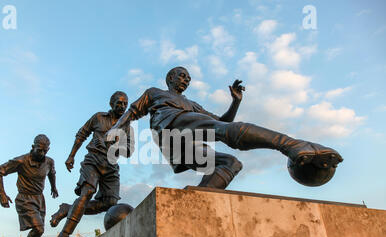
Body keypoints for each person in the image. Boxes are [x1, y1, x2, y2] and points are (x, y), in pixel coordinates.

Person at [105, 66, 343, 189]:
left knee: (230, 163)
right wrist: (115, 130)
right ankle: (292, 146)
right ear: (169, 78)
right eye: (182, 76)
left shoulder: (192, 104)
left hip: (182, 144)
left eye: (188, 78)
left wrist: (236, 101)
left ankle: (202, 197)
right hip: (170, 125)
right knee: (226, 132)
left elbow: (223, 122)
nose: (185, 80)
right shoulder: (154, 93)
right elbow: (132, 112)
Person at [52, 91, 134, 237]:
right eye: (119, 103)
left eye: (125, 104)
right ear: (111, 104)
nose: (122, 106)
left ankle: (67, 209)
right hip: (93, 160)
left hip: (111, 165)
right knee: (87, 193)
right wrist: (71, 156)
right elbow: (82, 134)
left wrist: (116, 145)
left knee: (110, 203)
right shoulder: (98, 117)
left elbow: (129, 150)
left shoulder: (126, 125)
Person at [0, 134, 58, 237]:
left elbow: (51, 173)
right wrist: (2, 195)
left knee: (39, 230)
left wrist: (54, 187)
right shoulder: (21, 161)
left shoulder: (49, 162)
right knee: (39, 228)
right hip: (25, 199)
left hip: (39, 199)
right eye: (39, 150)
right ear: (33, 147)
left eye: (45, 151)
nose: (42, 153)